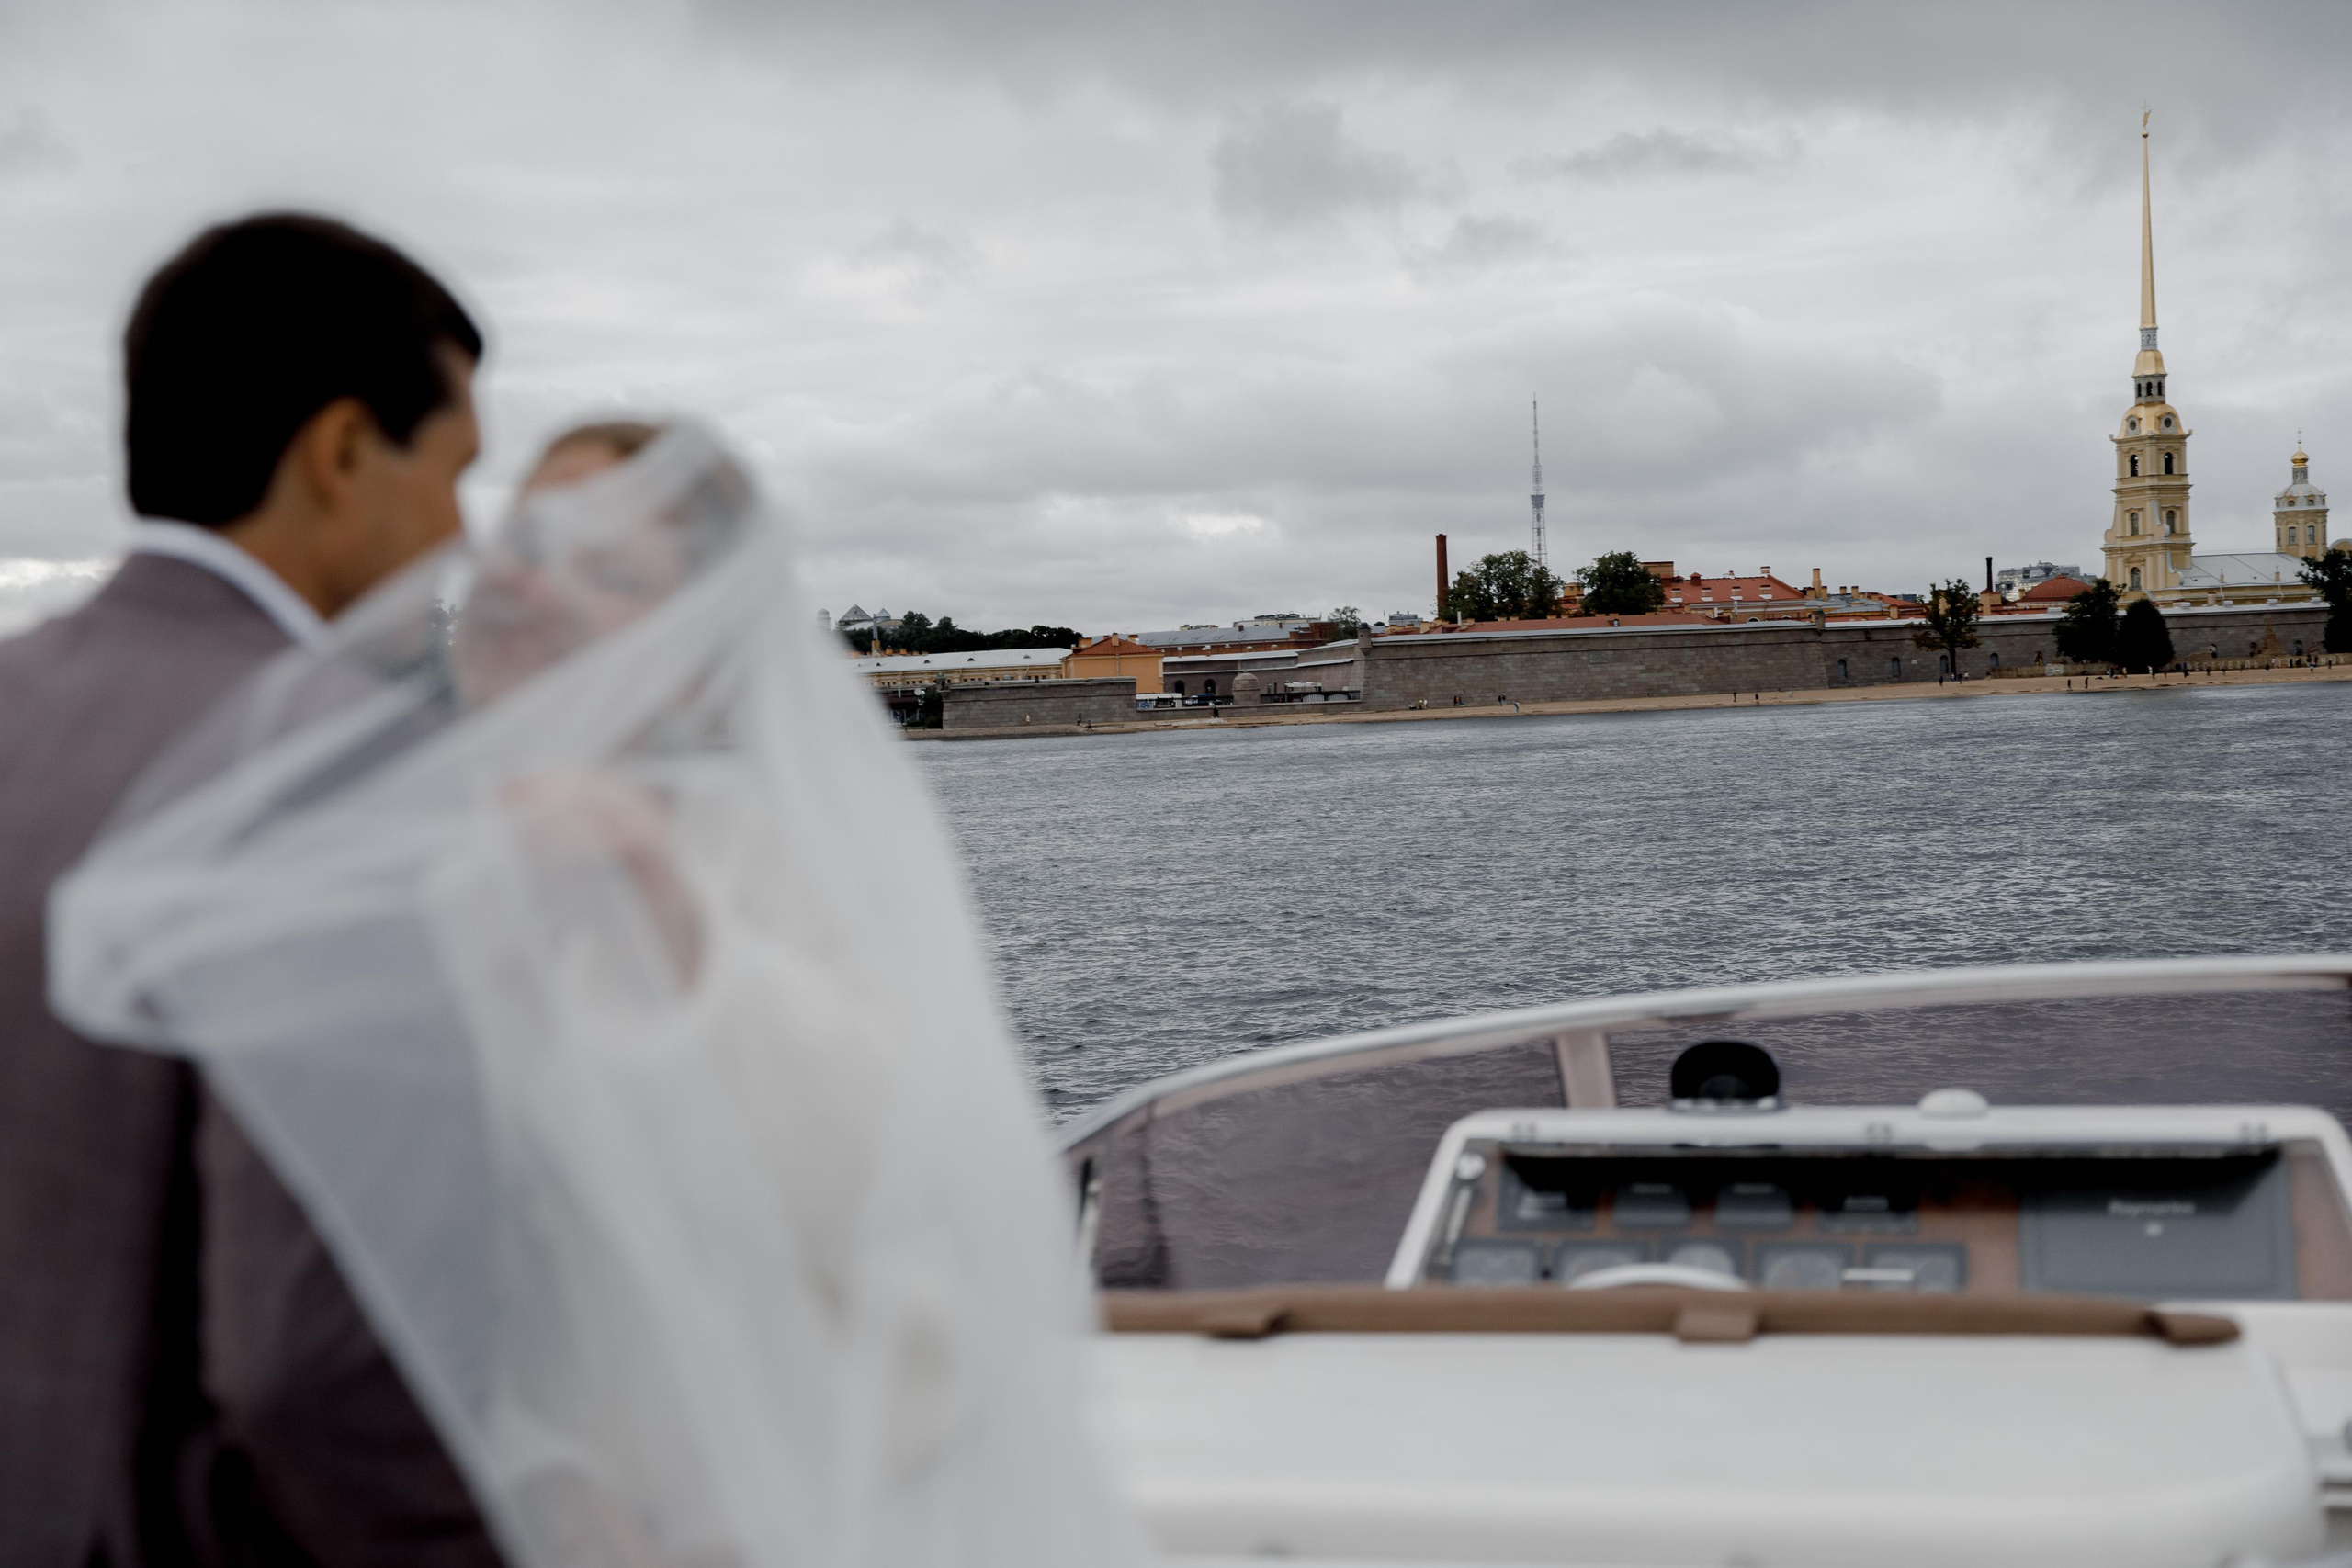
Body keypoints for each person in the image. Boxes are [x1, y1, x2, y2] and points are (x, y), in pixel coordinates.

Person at [51, 422, 1148, 1568]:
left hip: (836, 1505)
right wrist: (539, 1470)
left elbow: (898, 1174)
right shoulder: (393, 861)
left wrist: (668, 933)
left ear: (698, 644)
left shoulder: (790, 847)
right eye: (526, 544)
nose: (533, 585)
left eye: (611, 571)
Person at [0, 214, 503, 1564]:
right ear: (342, 454)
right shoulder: (333, 762)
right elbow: (305, 1369)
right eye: (454, 470)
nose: (459, 530)